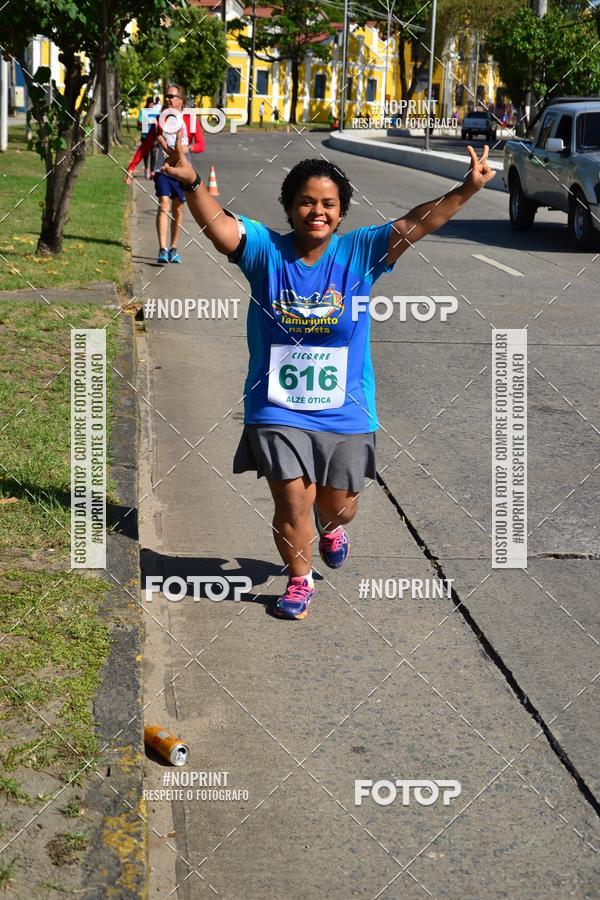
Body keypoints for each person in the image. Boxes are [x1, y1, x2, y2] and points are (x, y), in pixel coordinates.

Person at [155, 133, 495, 619]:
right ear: (290, 208)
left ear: (341, 212)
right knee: (292, 498)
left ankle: (331, 525)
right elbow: (221, 227)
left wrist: (465, 190)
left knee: (337, 506)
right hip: (276, 405)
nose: (317, 211)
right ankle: (298, 580)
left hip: (345, 407)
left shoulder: (362, 253)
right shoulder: (265, 252)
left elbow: (418, 222)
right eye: (306, 202)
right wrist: (191, 184)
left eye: (328, 204)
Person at [124, 84, 205, 264]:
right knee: (164, 204)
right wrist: (131, 168)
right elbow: (145, 146)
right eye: (166, 96)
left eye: (171, 96)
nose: (168, 99)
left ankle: (174, 248)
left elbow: (200, 144)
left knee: (179, 208)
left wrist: (188, 147)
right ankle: (162, 248)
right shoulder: (160, 121)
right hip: (163, 170)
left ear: (181, 100)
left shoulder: (190, 120)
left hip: (183, 172)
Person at [137, 97, 157, 179]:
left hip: (153, 136)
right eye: (150, 103)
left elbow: (158, 122)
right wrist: (146, 122)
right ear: (148, 103)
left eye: (152, 103)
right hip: (145, 136)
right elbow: (139, 122)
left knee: (153, 153)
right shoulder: (143, 111)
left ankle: (152, 172)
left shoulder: (156, 112)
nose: (151, 105)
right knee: (146, 154)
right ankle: (146, 169)